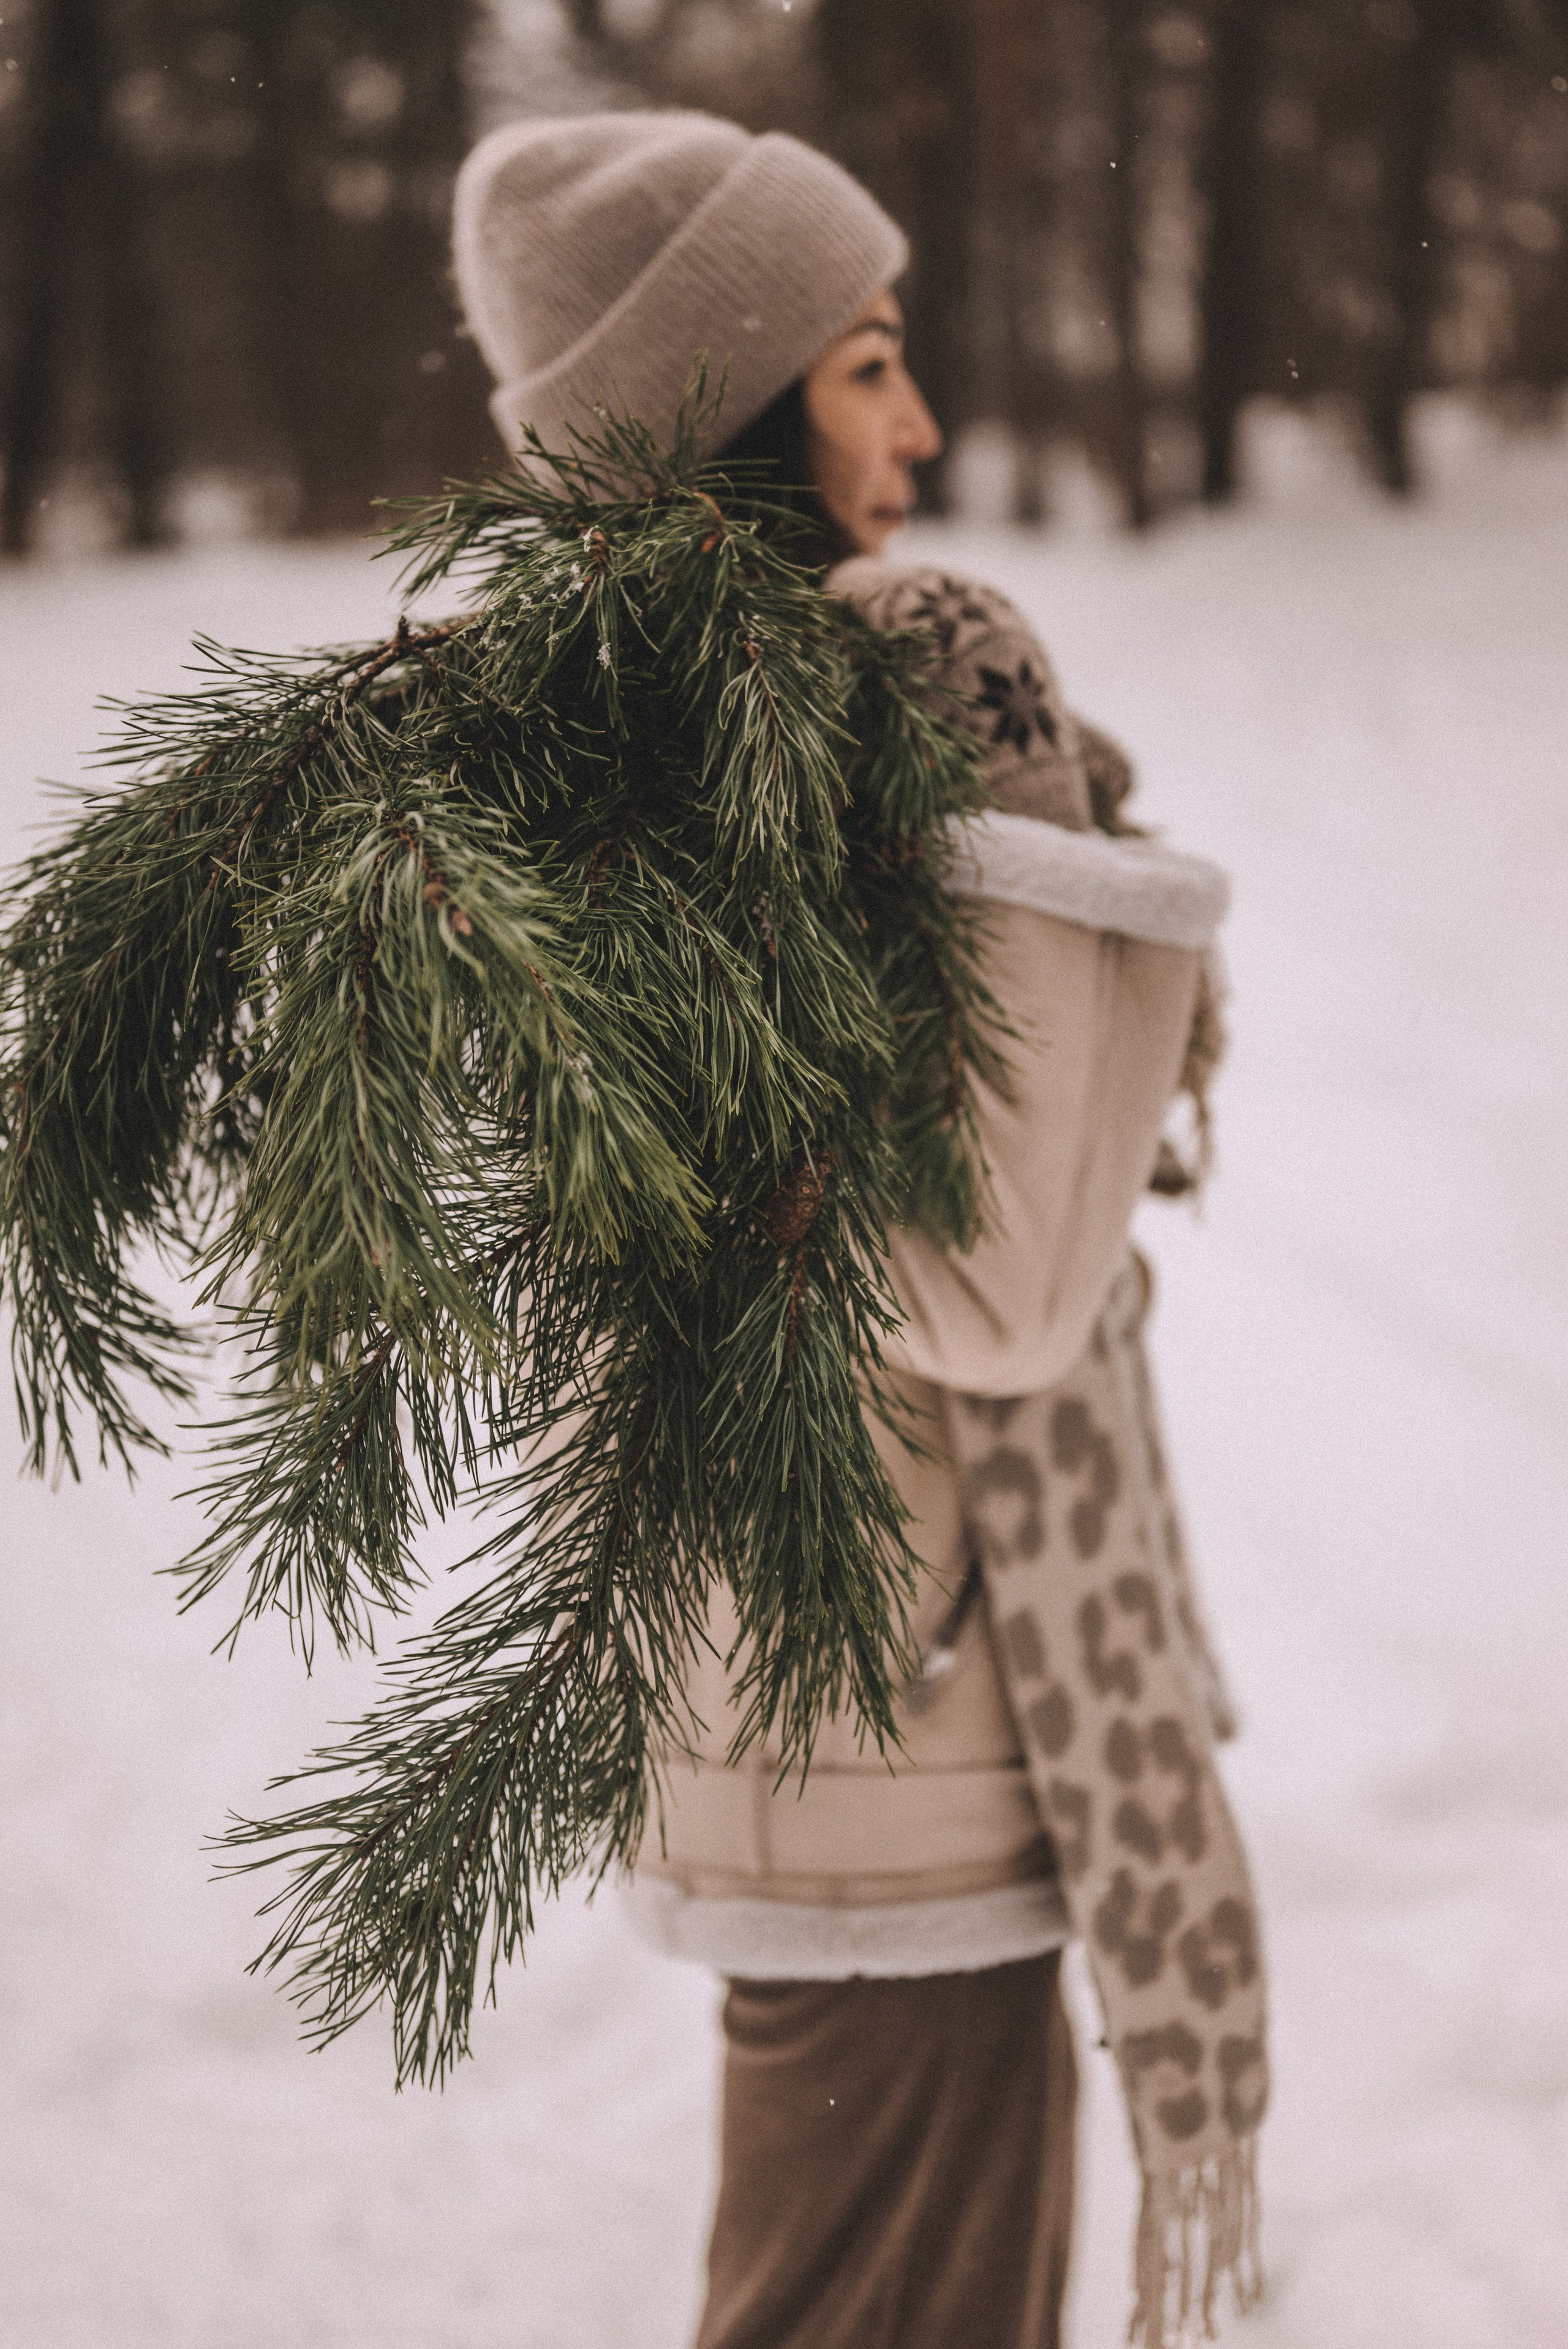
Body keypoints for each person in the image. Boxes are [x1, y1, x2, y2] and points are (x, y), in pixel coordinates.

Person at [453, 113, 1265, 2349]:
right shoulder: (856, 690)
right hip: (890, 1731)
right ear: (731, 407)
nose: (919, 423)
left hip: (848, 1729)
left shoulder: (653, 736)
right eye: (863, 363)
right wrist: (1032, 819)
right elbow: (1014, 1282)